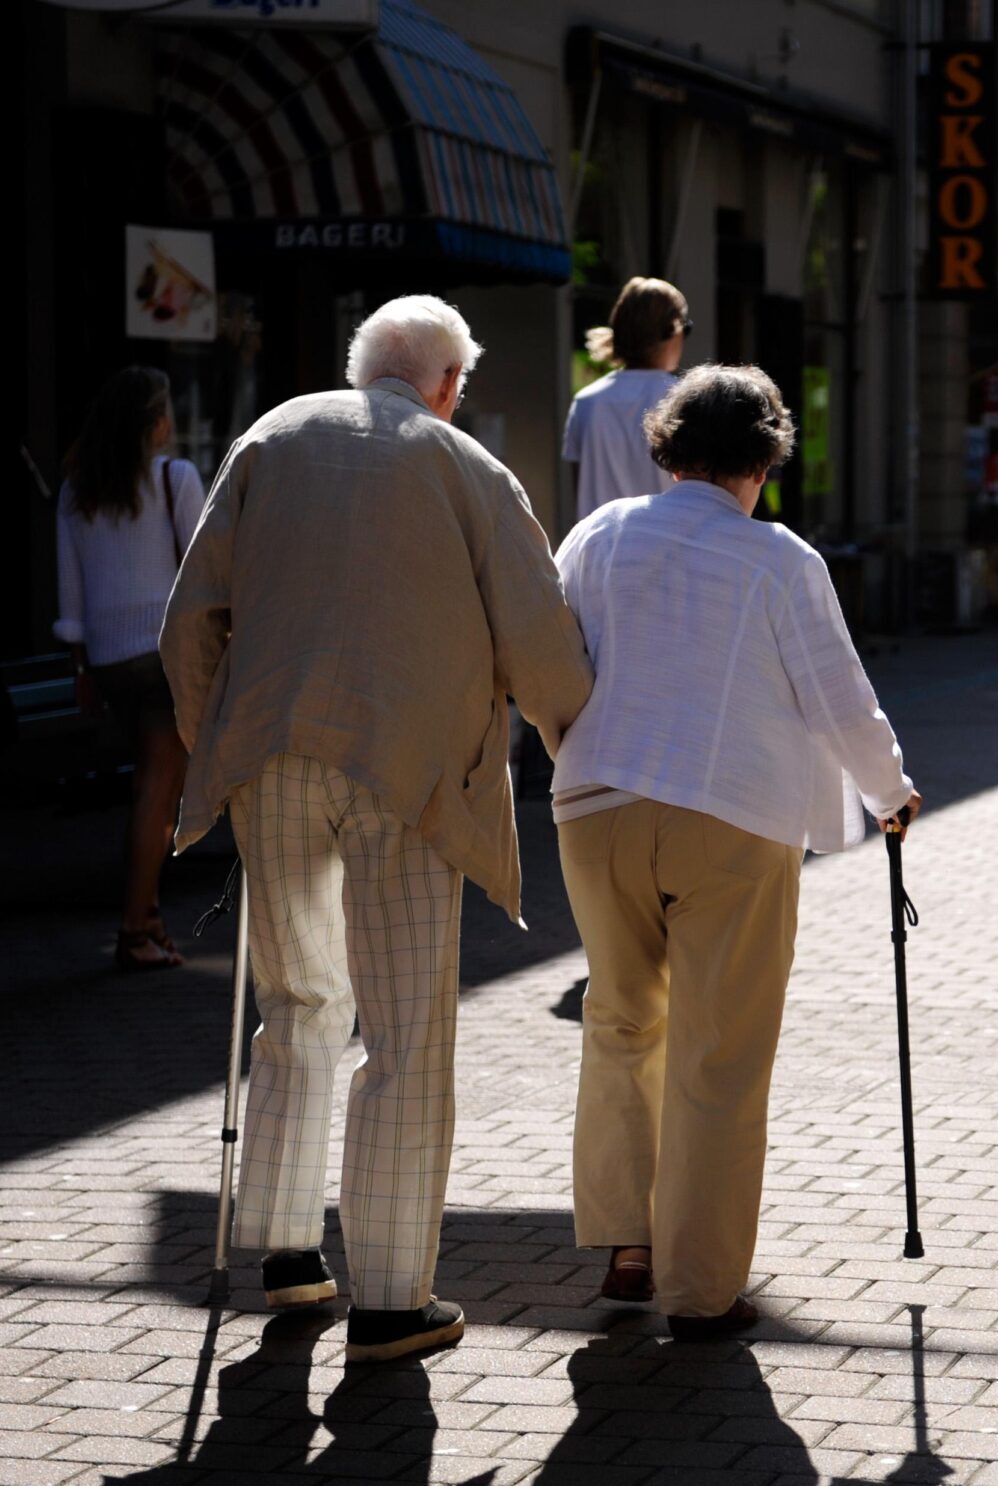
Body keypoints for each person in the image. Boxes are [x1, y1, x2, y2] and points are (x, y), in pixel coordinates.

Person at [162, 295, 595, 1363]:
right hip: (407, 775)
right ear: (445, 383)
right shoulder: (466, 468)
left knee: (297, 1000)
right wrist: (575, 734)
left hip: (270, 755)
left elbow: (191, 615)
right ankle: (394, 1300)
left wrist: (214, 735)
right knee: (406, 1037)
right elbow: (538, 632)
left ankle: (282, 1250)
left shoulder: (271, 436)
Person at [549, 366, 920, 1341]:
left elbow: (549, 660)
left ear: (666, 447)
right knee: (718, 1053)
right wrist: (889, 793)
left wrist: (572, 755)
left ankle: (630, 1242)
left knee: (622, 1020)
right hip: (729, 814)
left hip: (595, 806)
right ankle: (700, 1287)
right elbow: (839, 698)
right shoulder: (778, 559)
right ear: (762, 458)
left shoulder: (596, 537)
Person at [52, 366, 204, 972]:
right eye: (165, 412)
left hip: (110, 659)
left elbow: (70, 592)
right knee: (157, 794)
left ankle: (151, 919)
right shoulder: (176, 478)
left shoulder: (75, 491)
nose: (171, 424)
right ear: (152, 424)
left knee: (151, 787)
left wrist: (80, 664)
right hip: (164, 654)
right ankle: (135, 930)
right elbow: (203, 570)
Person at [563, 276, 689, 522]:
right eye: (686, 326)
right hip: (666, 551)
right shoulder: (684, 401)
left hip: (599, 551)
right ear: (671, 331)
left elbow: (578, 489)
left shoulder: (586, 403)